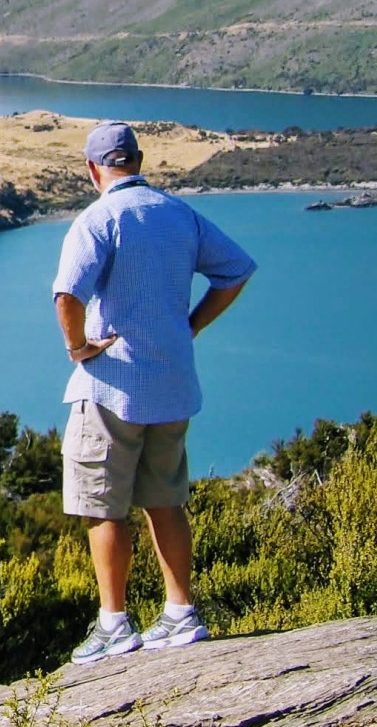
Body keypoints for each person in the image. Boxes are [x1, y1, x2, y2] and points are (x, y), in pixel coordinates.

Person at [52, 121, 256, 664]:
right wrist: (190, 326)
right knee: (165, 501)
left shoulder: (98, 219)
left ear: (92, 169)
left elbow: (67, 295)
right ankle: (180, 613)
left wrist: (79, 349)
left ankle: (115, 623)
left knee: (103, 508)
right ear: (139, 160)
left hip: (111, 387)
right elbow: (235, 271)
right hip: (171, 385)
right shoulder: (178, 214)